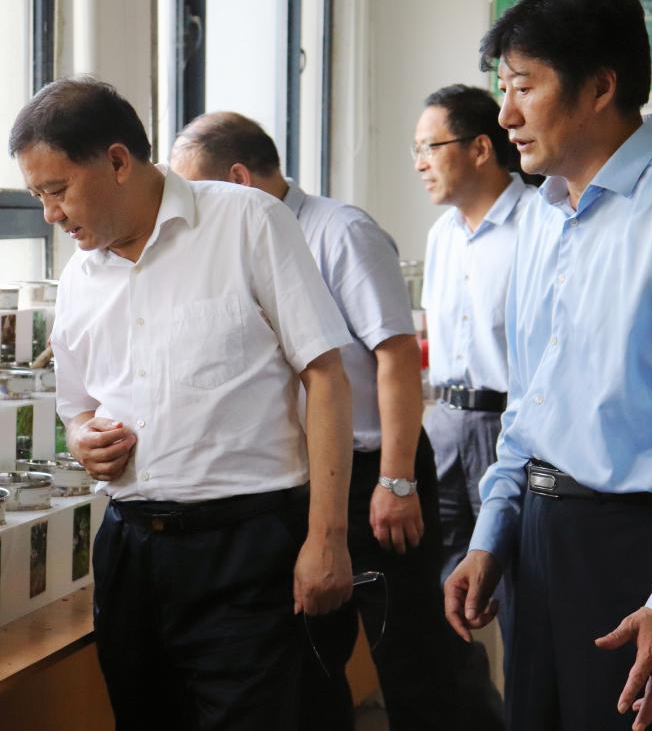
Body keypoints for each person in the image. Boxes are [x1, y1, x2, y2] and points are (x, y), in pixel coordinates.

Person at [9, 77, 356, 730]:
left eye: (57, 191)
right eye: (38, 198)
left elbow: (326, 376)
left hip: (248, 547)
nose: (50, 215)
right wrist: (83, 438)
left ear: (117, 161)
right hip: (131, 550)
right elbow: (77, 407)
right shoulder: (80, 276)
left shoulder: (246, 221)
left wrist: (327, 538)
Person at [170, 112, 503, 730]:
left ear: (238, 179)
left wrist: (397, 480)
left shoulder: (340, 231)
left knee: (413, 652)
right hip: (300, 479)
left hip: (376, 471)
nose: (187, 209)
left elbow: (397, 355)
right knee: (311, 659)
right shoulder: (233, 245)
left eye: (196, 191)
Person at [444, 0, 652, 730]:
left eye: (524, 86)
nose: (505, 114)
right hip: (538, 537)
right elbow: (528, 404)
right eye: (503, 88)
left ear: (600, 87)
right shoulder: (540, 215)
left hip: (639, 549)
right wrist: (493, 531)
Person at [416, 85, 533, 587]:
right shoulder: (441, 234)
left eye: (430, 147)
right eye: (416, 150)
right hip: (443, 423)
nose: (420, 163)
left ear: (481, 148)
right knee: (438, 581)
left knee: (513, 577)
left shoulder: (539, 222)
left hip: (507, 426)